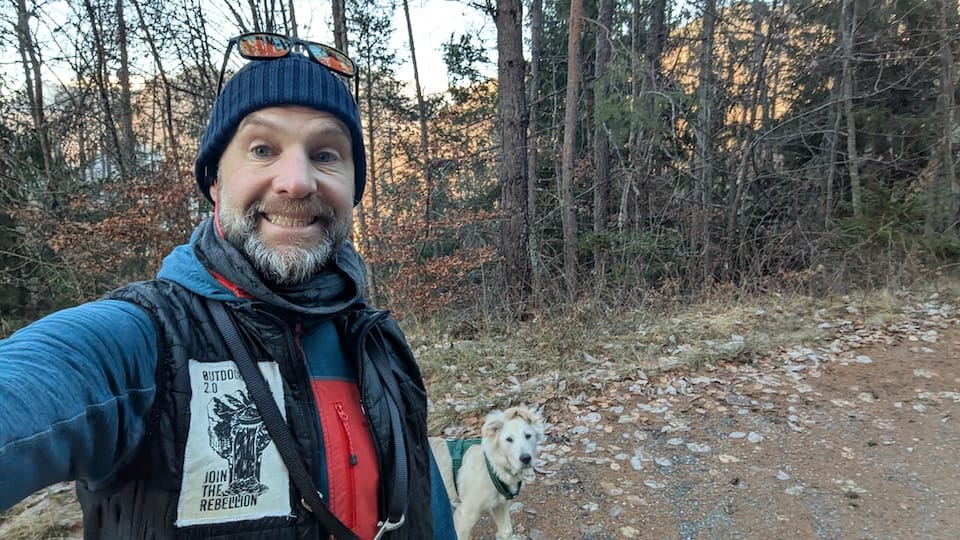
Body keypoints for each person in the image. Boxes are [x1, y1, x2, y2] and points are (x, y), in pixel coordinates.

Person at [0, 34, 455, 540]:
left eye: (326, 154)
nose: (298, 181)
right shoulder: (143, 341)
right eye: (262, 149)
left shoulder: (378, 343)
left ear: (352, 189)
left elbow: (425, 506)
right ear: (215, 182)